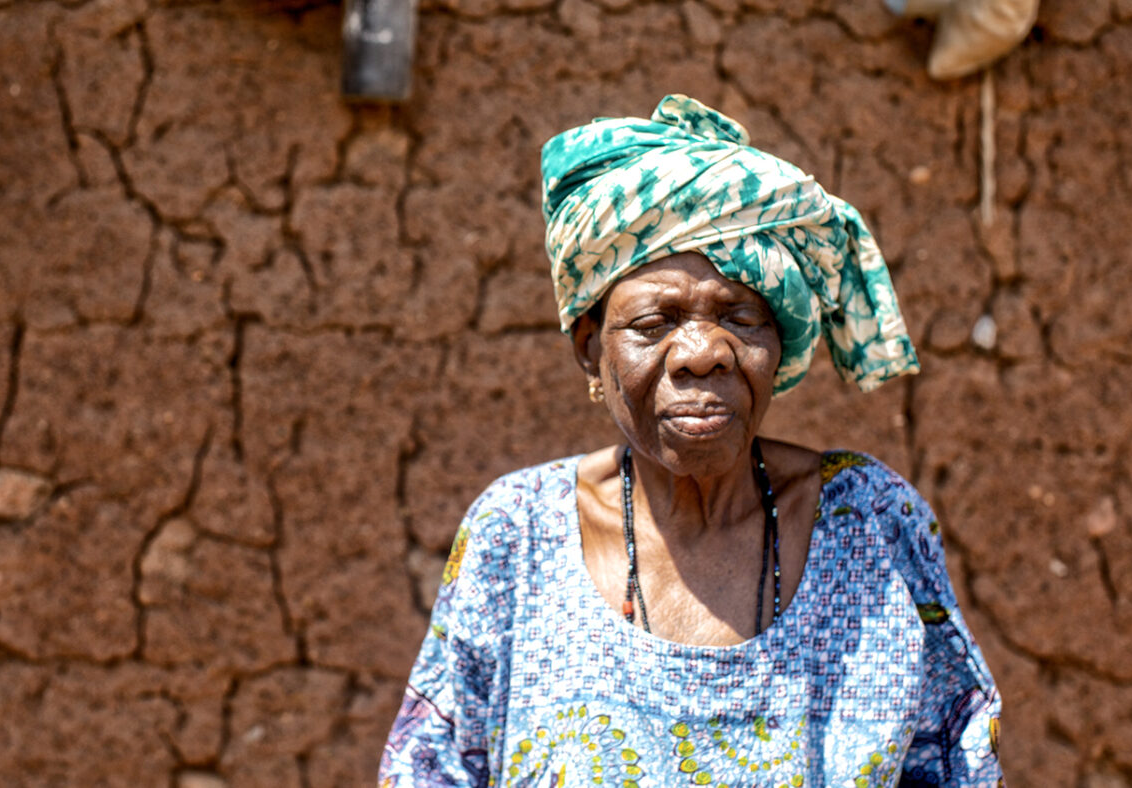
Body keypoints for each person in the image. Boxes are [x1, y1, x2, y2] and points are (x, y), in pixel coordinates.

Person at [379, 95, 1004, 787]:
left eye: (740, 315)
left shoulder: (870, 524)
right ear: (591, 350)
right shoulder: (517, 535)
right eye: (655, 323)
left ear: (779, 342)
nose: (702, 353)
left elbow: (960, 768)